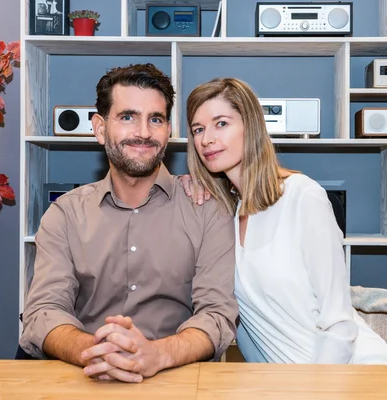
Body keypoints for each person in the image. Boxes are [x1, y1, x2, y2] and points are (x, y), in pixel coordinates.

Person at [18, 64, 238, 383]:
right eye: (127, 117)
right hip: (85, 377)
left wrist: (158, 354)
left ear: (168, 130)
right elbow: (42, 313)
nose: (144, 133)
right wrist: (97, 350)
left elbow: (217, 316)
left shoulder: (207, 210)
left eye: (156, 119)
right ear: (100, 128)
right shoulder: (64, 214)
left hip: (177, 380)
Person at [181, 77, 387, 364]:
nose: (207, 139)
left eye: (221, 123)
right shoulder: (226, 215)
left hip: (349, 374)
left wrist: (316, 390)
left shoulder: (302, 196)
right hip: (284, 382)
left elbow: (339, 322)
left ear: (251, 126)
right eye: (198, 129)